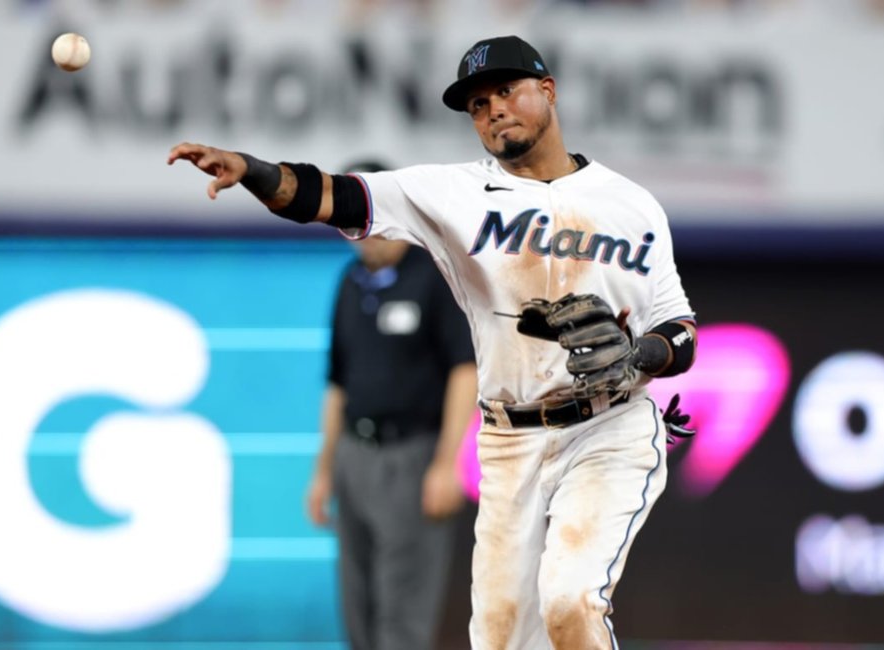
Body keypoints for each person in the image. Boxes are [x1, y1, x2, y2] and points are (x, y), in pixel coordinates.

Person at [168, 34, 697, 650]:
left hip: (608, 430)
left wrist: (641, 355)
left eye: (506, 90)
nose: (493, 108)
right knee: (500, 640)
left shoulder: (630, 204)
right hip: (510, 440)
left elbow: (679, 331)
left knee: (570, 601)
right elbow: (331, 195)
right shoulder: (453, 194)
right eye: (477, 103)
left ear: (547, 92)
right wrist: (251, 170)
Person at [304, 159, 479, 650]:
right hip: (354, 457)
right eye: (344, 214)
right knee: (358, 608)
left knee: (402, 613)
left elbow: (465, 371)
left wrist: (447, 464)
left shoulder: (436, 275)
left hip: (413, 457)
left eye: (363, 209)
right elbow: (338, 382)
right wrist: (324, 470)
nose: (357, 229)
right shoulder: (350, 283)